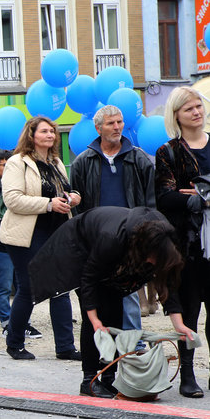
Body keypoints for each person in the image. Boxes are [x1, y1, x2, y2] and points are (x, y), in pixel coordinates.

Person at [28, 207, 191, 398]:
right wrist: (95, 320)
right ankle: (89, 380)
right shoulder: (112, 239)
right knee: (96, 320)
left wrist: (179, 325)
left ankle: (109, 376)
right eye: (152, 260)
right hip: (81, 246)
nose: (152, 265)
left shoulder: (166, 242)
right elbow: (88, 279)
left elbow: (168, 284)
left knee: (115, 312)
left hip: (117, 254)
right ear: (145, 248)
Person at [0, 116, 82, 361]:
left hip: (57, 232)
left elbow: (64, 190)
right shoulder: (17, 162)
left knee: (61, 289)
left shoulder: (55, 161)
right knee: (29, 288)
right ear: (31, 135)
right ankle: (14, 343)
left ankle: (65, 347)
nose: (51, 135)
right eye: (45, 131)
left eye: (53, 132)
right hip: (26, 235)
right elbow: (12, 200)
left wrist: (72, 197)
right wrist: (48, 205)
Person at [70, 104, 157, 337]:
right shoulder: (82, 162)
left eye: (119, 122)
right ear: (99, 128)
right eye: (111, 123)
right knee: (98, 289)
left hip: (132, 234)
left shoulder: (139, 158)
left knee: (128, 288)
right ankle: (105, 340)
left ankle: (133, 340)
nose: (117, 127)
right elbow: (77, 204)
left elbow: (151, 199)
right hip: (98, 238)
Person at [155, 85, 210, 397]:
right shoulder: (169, 152)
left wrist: (199, 193)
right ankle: (187, 375)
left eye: (199, 106)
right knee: (188, 312)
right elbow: (164, 196)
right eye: (189, 108)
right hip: (186, 244)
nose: (196, 111)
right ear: (176, 115)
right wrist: (197, 201)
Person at [0, 151, 43, 338]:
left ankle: (23, 322)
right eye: (4, 165)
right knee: (5, 286)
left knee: (25, 286)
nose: (10, 169)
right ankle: (7, 323)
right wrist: (5, 232)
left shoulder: (21, 189)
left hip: (23, 244)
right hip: (1, 247)